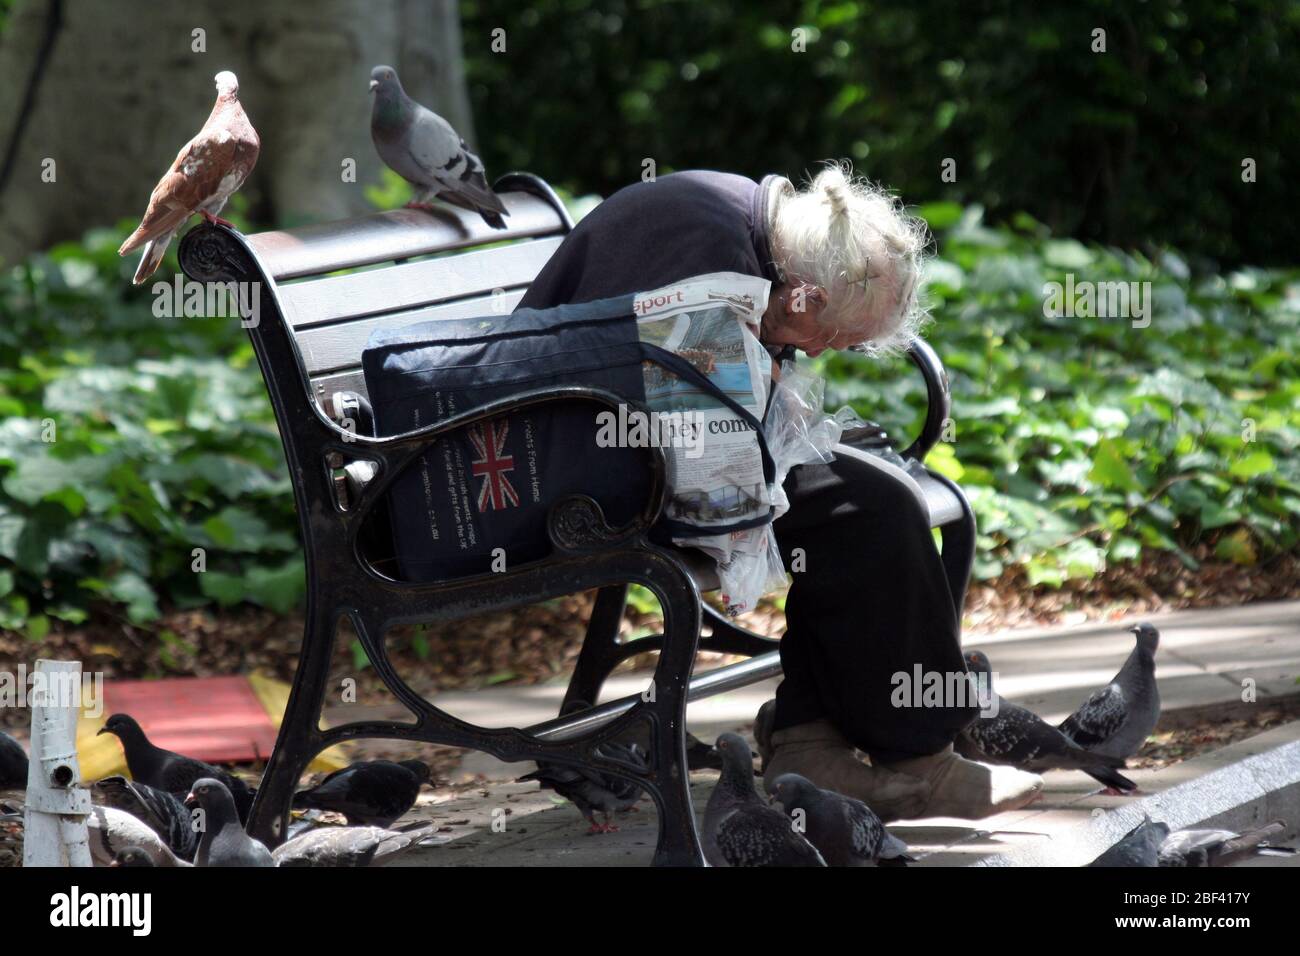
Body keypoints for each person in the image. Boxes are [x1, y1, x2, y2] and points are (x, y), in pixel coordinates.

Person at [518, 164, 1042, 820]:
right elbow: (716, 492)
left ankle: (825, 743)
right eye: (831, 336)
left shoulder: (748, 229)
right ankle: (908, 753)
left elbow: (715, 426)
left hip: (638, 445)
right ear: (806, 295)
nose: (819, 353)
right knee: (861, 512)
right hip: (576, 476)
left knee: (873, 500)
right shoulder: (707, 262)